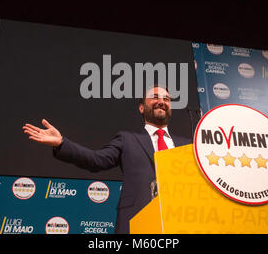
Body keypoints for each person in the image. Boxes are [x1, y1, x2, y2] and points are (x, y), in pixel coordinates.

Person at [22, 85, 191, 234]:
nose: (161, 101)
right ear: (141, 108)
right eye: (155, 97)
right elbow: (96, 160)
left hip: (180, 222)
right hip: (137, 221)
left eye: (166, 99)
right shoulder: (128, 139)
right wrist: (62, 143)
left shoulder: (188, 145)